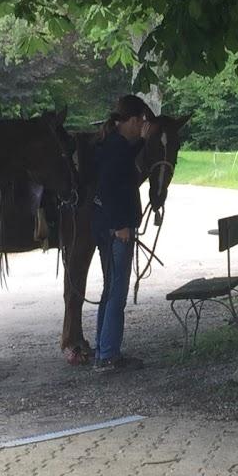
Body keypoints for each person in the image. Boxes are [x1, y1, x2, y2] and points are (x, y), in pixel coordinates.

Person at [91, 95, 152, 371]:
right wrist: (120, 225)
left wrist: (141, 142)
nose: (142, 126)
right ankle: (108, 355)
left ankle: (103, 349)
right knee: (117, 292)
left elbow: (122, 164)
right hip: (116, 229)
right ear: (132, 120)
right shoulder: (116, 147)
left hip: (108, 227)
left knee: (110, 289)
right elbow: (109, 187)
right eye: (140, 121)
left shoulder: (115, 144)